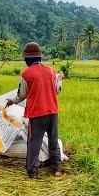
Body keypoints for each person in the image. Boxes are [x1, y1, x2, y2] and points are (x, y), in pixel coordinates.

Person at [6, 42, 63, 179]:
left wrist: (11, 101)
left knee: (34, 143)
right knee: (53, 140)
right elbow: (57, 90)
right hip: (52, 112)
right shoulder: (51, 71)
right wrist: (60, 79)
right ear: (40, 57)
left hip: (37, 114)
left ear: (27, 59)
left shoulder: (26, 74)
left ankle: (33, 172)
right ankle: (57, 169)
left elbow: (22, 95)